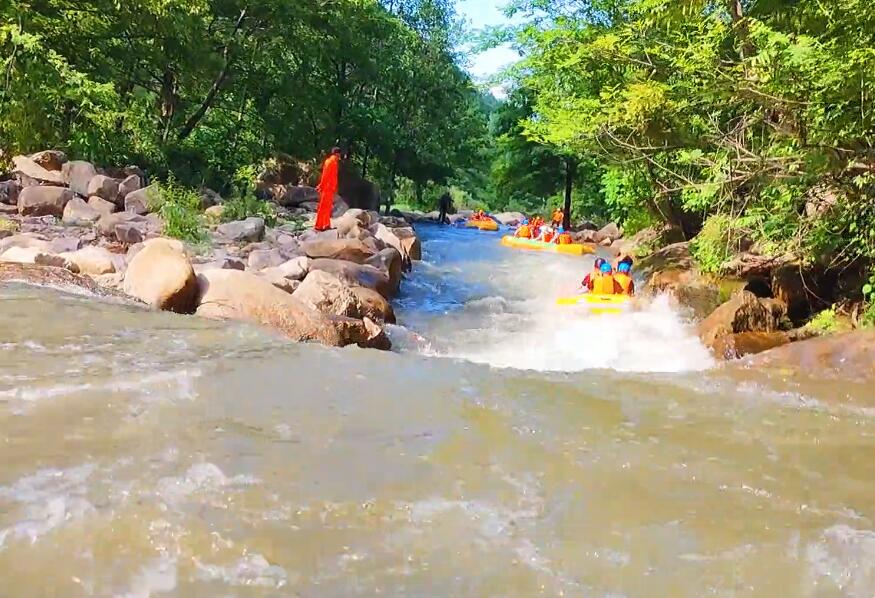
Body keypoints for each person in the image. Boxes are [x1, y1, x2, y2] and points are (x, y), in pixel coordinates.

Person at [314, 147, 342, 231]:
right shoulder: (330, 162)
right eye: (339, 154)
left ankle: (325, 224)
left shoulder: (332, 162)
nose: (339, 156)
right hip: (327, 188)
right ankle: (319, 225)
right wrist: (321, 186)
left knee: (327, 207)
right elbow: (325, 176)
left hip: (329, 188)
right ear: (337, 154)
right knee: (324, 207)